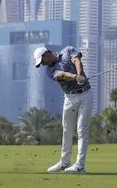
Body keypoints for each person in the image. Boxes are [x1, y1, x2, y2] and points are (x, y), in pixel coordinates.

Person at [34, 45, 93, 173]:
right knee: (67, 130)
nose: (43, 64)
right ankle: (65, 163)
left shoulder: (67, 50)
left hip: (85, 95)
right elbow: (62, 75)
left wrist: (79, 74)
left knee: (81, 129)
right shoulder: (50, 71)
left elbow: (76, 60)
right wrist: (75, 77)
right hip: (70, 98)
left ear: (47, 54)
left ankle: (80, 165)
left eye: (42, 61)